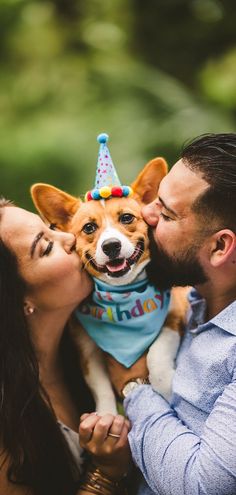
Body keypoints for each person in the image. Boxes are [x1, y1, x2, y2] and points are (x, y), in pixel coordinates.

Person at [81, 133, 236, 494]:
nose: (144, 213)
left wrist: (132, 388)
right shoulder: (182, 300)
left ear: (219, 247)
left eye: (164, 212)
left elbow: (201, 487)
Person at [0, 200, 131, 495]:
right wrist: (106, 473)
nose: (70, 238)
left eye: (52, 228)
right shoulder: (9, 420)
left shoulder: (100, 331)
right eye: (46, 247)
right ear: (18, 302)